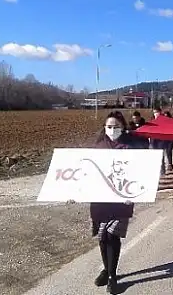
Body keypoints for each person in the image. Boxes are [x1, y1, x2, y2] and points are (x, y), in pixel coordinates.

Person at [69, 111, 149, 293]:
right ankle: (106, 269)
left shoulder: (131, 146)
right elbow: (87, 173)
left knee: (112, 235)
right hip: (99, 200)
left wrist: (136, 193)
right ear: (104, 128)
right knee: (102, 236)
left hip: (122, 199)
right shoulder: (98, 147)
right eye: (109, 127)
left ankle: (113, 276)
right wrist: (74, 190)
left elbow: (141, 171)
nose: (112, 130)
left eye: (116, 127)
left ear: (123, 127)